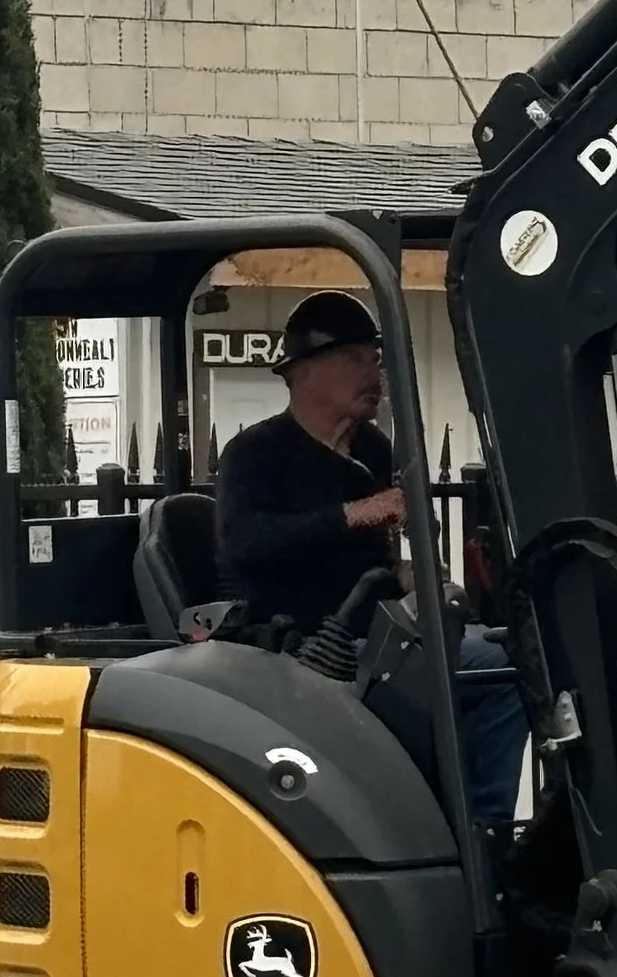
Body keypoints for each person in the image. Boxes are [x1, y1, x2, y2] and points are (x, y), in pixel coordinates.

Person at [216, 290, 529, 835]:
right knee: (485, 673)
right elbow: (247, 541)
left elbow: (375, 549)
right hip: (305, 645)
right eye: (355, 359)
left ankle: (482, 829)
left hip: (378, 632)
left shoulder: (374, 449)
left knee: (511, 654)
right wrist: (355, 513)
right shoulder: (254, 456)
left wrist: (405, 568)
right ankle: (465, 827)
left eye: (376, 359)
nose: (373, 372)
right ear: (303, 373)